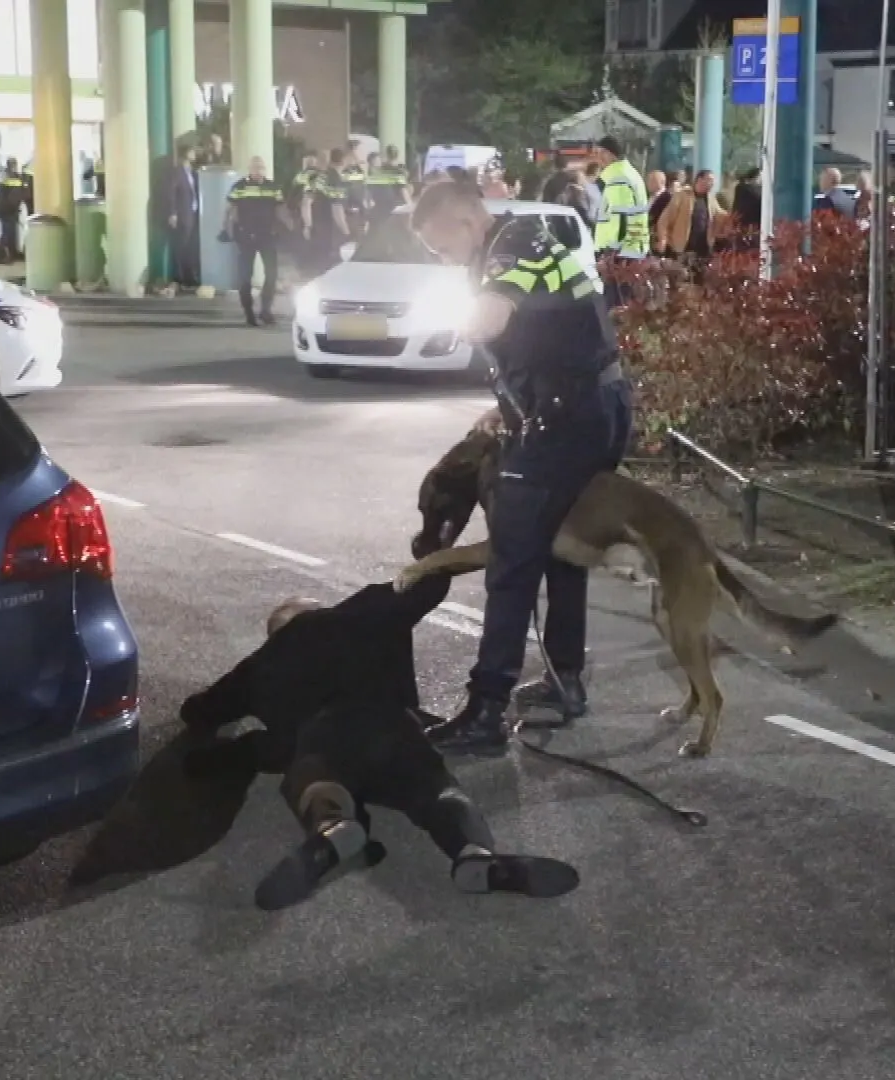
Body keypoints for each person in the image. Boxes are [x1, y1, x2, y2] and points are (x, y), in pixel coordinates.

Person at [177, 570, 581, 910]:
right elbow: (427, 581)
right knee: (435, 790)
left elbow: (202, 714)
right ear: (322, 609)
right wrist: (442, 545)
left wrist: (207, 758)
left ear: (273, 634)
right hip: (392, 727)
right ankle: (472, 852)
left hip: (321, 737)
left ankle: (333, 827)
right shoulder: (364, 615)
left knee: (316, 779)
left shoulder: (258, 667)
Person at [407, 178, 634, 753]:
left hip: (572, 418)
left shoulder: (514, 245)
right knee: (563, 547)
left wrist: (449, 320)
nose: (443, 259)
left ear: (465, 222)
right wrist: (504, 404)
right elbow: (548, 337)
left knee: (511, 559)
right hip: (585, 405)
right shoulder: (520, 245)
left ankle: (486, 712)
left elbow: (492, 318)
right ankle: (565, 681)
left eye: (441, 247)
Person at [223, 155, 282, 328]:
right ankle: (248, 311)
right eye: (256, 167)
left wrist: (286, 227)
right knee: (245, 277)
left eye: (262, 167)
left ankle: (266, 309)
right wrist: (224, 228)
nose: (259, 170)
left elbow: (280, 209)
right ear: (250, 169)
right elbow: (228, 209)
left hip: (267, 236)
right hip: (245, 236)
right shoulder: (239, 187)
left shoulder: (273, 187)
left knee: (272, 274)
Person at [590, 136, 648, 305]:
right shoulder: (629, 173)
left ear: (609, 154)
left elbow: (620, 218)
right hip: (630, 251)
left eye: (599, 153)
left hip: (619, 257)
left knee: (615, 307)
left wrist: (610, 254)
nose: (597, 158)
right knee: (626, 305)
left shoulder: (617, 177)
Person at [306, 149, 350, 276]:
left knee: (320, 266)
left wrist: (308, 225)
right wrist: (346, 230)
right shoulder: (335, 180)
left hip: (318, 225)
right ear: (343, 161)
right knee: (333, 268)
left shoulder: (321, 176)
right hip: (331, 229)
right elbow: (337, 209)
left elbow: (306, 202)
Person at [167, 144, 202, 289]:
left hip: (193, 212)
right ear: (185, 153)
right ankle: (180, 277)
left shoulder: (192, 172)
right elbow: (171, 192)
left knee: (190, 245)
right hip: (183, 213)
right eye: (192, 151)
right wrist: (173, 212)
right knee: (181, 245)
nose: (194, 154)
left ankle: (190, 276)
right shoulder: (177, 172)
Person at [0, 157, 29, 263]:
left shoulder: (17, 177)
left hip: (12, 209)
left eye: (14, 165)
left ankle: (13, 254)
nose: (14, 167)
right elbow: (5, 195)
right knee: (7, 232)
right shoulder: (5, 176)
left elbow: (21, 192)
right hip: (4, 209)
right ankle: (1, 257)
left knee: (12, 232)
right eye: (12, 165)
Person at [367, 145, 410, 220]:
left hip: (383, 206)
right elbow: (403, 189)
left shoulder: (380, 171)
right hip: (391, 206)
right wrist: (410, 204)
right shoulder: (397, 171)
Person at [338, 141, 368, 237]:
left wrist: (357, 160)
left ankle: (361, 230)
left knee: (363, 210)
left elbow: (364, 173)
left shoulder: (359, 162)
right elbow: (340, 172)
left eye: (356, 148)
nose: (355, 151)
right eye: (354, 148)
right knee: (352, 213)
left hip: (359, 191)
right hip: (349, 192)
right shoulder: (345, 161)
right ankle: (350, 233)